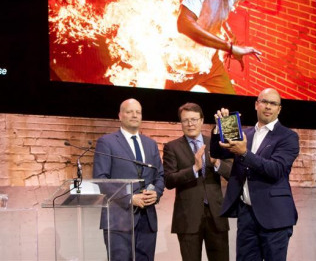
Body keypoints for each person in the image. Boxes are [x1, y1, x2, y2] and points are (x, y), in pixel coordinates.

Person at [210, 88, 299, 261]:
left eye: (273, 103)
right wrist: (218, 128)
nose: (268, 106)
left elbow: (276, 170)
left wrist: (244, 153)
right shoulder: (246, 134)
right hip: (247, 214)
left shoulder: (288, 136)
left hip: (275, 216)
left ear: (279, 109)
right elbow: (217, 152)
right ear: (256, 104)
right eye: (264, 101)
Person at [165, 0, 262, 94]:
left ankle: (223, 120)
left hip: (210, 61)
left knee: (231, 110)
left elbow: (217, 17)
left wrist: (232, 41)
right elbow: (184, 23)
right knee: (169, 112)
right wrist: (229, 47)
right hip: (184, 65)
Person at [93, 98, 165, 261]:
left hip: (147, 219)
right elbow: (101, 179)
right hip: (119, 219)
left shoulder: (151, 144)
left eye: (138, 112)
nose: (134, 115)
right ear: (120, 115)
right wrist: (130, 198)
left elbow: (160, 175)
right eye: (129, 111)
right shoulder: (107, 142)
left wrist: (157, 193)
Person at [163, 102, 232, 261]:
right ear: (181, 123)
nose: (190, 124)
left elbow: (232, 174)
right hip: (188, 218)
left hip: (216, 215)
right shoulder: (172, 147)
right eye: (186, 120)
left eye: (194, 119)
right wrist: (194, 168)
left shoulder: (215, 143)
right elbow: (169, 180)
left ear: (201, 120)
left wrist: (216, 162)